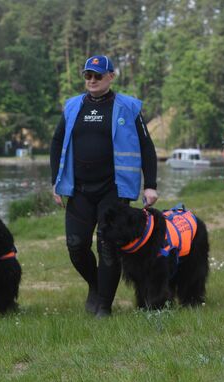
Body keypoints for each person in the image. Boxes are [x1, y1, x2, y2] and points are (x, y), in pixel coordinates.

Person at [50, 55, 158, 317]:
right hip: (80, 190)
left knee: (108, 245)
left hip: (114, 188)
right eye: (88, 75)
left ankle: (104, 307)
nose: (92, 80)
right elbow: (56, 144)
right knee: (76, 246)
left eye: (98, 75)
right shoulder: (73, 106)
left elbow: (146, 146)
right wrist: (55, 182)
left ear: (111, 76)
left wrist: (150, 185)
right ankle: (96, 286)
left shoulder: (128, 107)